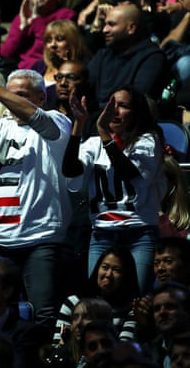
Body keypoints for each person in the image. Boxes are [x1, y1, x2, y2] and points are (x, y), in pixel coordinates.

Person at [0, 65, 72, 327]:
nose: (10, 101)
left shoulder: (58, 121)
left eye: (20, 94)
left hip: (40, 237)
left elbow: (38, 120)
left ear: (41, 98)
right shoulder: (0, 127)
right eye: (8, 95)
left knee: (43, 314)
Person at [63, 85, 166, 293]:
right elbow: (70, 171)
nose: (114, 111)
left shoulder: (147, 140)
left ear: (135, 112)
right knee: (99, 295)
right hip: (102, 233)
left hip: (139, 232)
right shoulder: (93, 144)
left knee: (137, 295)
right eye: (111, 105)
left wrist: (102, 130)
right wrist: (78, 125)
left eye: (123, 106)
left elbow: (130, 173)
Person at [53, 248, 140, 345]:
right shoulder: (73, 302)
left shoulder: (130, 310)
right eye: (105, 267)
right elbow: (57, 345)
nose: (108, 274)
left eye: (116, 270)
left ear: (126, 276)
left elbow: (123, 350)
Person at [87, 4, 167, 109]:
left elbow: (137, 100)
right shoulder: (103, 55)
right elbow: (85, 86)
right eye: (105, 24)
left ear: (131, 28)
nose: (105, 30)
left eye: (111, 24)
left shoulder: (153, 58)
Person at [0, 0, 76, 70]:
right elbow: (6, 53)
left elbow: (51, 51)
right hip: (20, 71)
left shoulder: (65, 16)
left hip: (46, 69)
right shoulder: (24, 16)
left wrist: (37, 18)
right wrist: (22, 28)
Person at [32, 20, 89, 107]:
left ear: (72, 42)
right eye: (49, 40)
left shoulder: (83, 69)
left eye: (59, 39)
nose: (53, 45)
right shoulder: (39, 67)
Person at [48, 298, 113, 368]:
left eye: (87, 317)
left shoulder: (114, 359)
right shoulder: (61, 356)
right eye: (75, 317)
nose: (78, 323)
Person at [144, 283, 190, 367]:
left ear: (187, 311)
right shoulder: (149, 351)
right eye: (157, 309)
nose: (162, 312)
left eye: (170, 307)